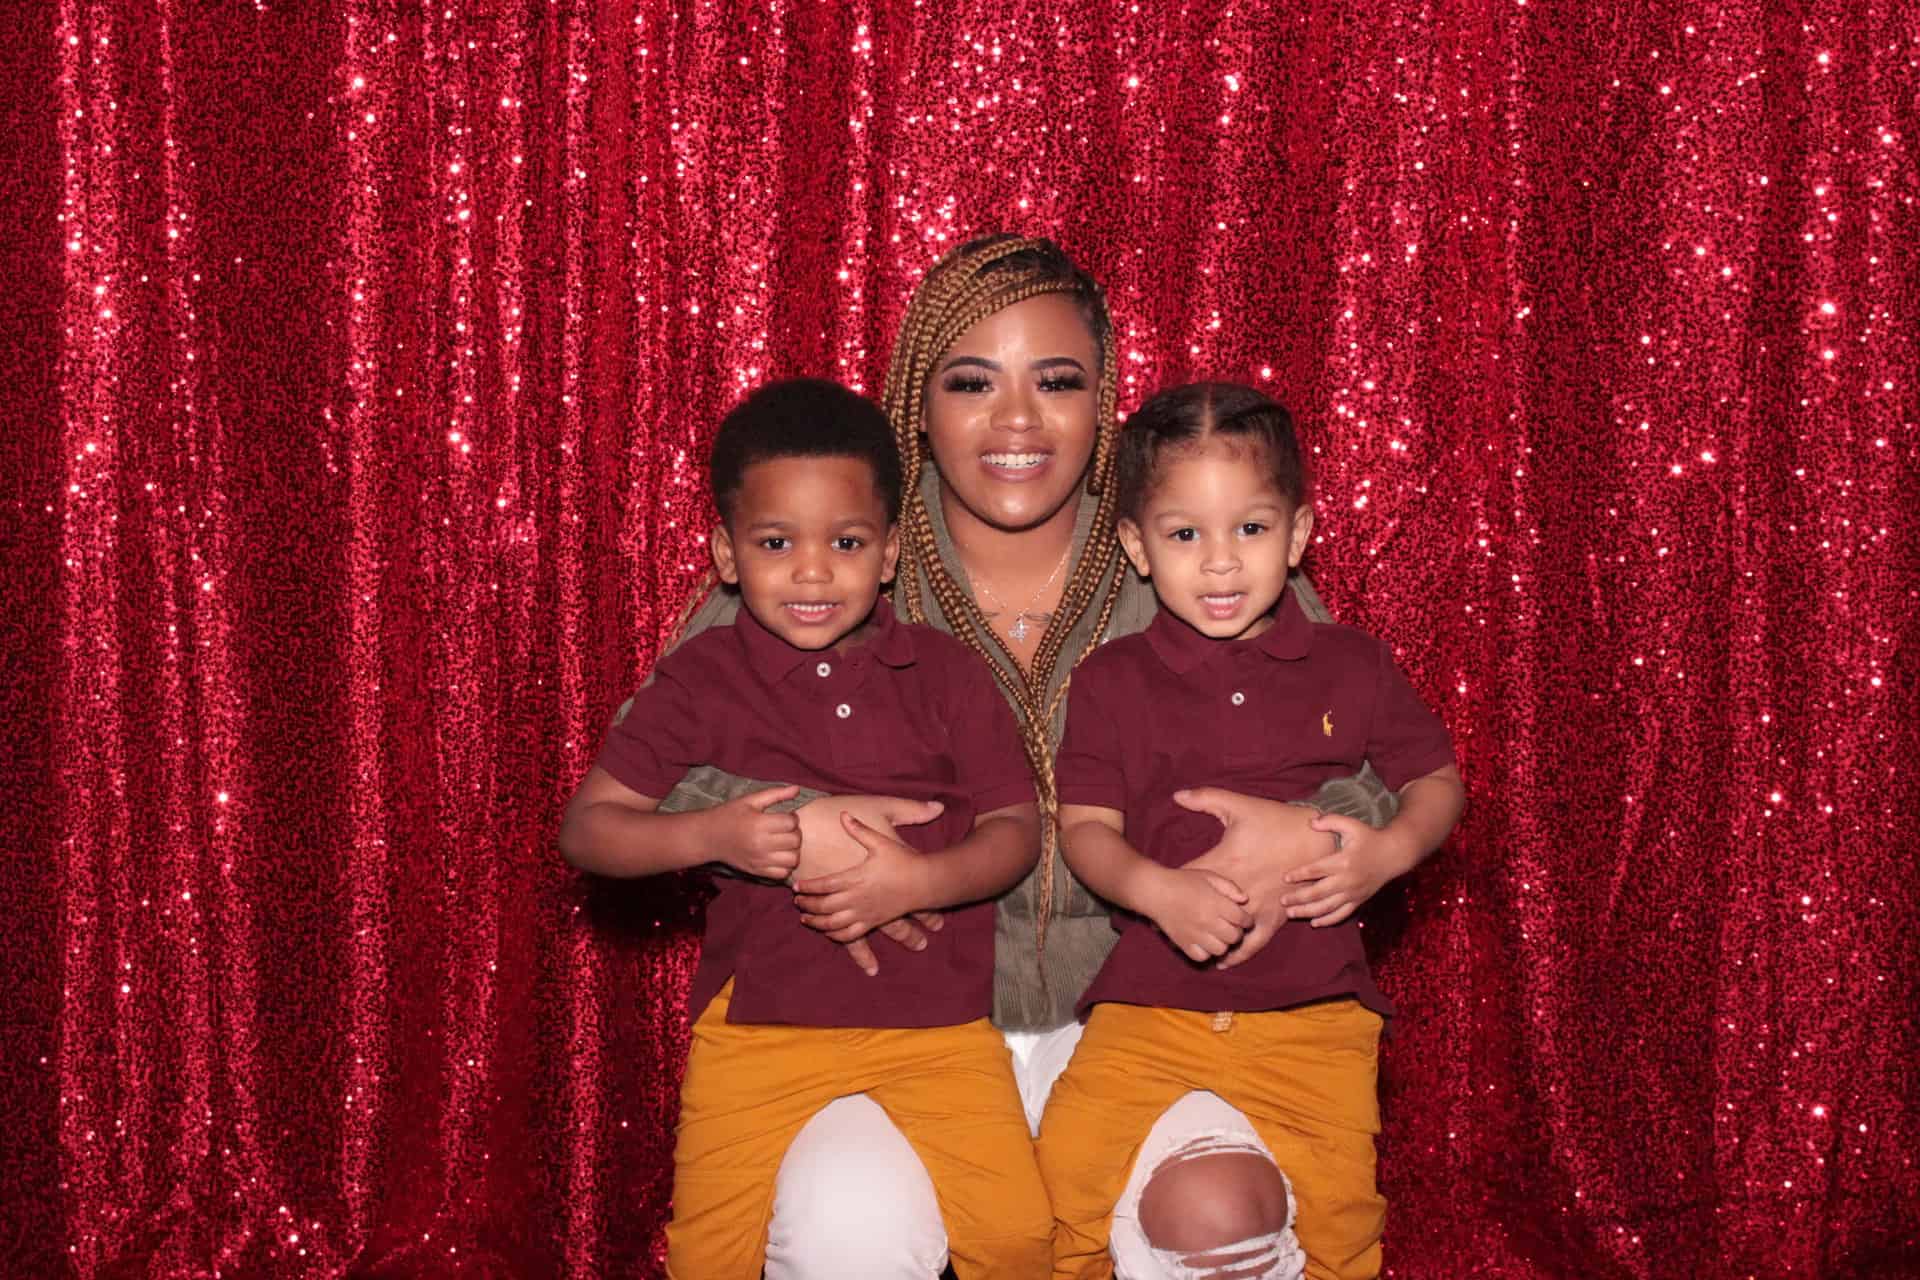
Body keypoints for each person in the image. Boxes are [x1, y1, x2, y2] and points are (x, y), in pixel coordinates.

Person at [647, 236, 1398, 1278]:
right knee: (845, 1227)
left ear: (1103, 400)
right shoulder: (831, 549)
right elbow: (659, 769)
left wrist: (1318, 833)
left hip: (1149, 1009)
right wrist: (793, 823)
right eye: (971, 383)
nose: (1016, 421)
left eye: (1056, 381)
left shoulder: (1195, 540)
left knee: (1216, 1209)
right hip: (893, 1014)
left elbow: (1371, 758)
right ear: (918, 402)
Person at [560, 379, 1052, 1278]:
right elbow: (590, 830)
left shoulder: (947, 673)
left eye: (847, 542)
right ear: (727, 553)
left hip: (938, 1030)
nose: (813, 572)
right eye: (777, 542)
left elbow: (1018, 826)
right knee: (707, 1255)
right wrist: (714, 835)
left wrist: (921, 881)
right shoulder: (700, 677)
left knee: (1019, 1239)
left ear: (891, 552)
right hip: (758, 1033)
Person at [1037, 382, 1466, 1279]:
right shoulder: (1111, 679)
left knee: (1344, 1213)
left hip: (1316, 1016)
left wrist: (1384, 853)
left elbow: (1437, 782)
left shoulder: (1352, 663)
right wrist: (1157, 890)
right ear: (1137, 548)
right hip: (1148, 1007)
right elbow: (1084, 828)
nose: (1221, 563)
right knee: (1064, 1177)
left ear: (1298, 535)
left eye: (1251, 528)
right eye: (1185, 535)